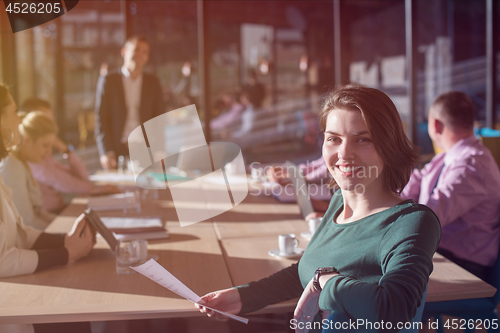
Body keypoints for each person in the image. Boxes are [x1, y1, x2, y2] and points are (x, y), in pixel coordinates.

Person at [196, 85, 441, 331]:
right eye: (333, 138)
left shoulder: (411, 223)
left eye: (362, 139)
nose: (344, 153)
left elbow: (394, 312)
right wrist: (243, 297)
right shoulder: (337, 203)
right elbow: (307, 268)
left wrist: (323, 281)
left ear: (389, 145)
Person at [0, 84, 95, 333]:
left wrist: (66, 241)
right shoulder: (10, 167)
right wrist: (66, 253)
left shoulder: (9, 166)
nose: (19, 118)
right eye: (13, 111)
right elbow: (2, 259)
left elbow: (21, 231)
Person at [401, 91, 500, 280]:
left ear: (435, 125)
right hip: (443, 255)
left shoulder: (471, 165)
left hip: (464, 267)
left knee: (382, 282)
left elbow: (429, 219)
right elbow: (416, 183)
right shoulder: (448, 157)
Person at [21, 98, 118, 213]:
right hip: (51, 214)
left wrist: (66, 150)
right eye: (45, 121)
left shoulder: (45, 156)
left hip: (58, 209)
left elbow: (80, 178)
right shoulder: (32, 160)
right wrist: (94, 189)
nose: (50, 126)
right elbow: (59, 180)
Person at [95, 35, 164, 170]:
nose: (141, 54)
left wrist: (160, 151)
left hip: (146, 150)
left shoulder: (153, 83)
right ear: (124, 52)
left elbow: (159, 119)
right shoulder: (109, 81)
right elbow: (101, 118)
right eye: (137, 49)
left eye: (145, 52)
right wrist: (105, 151)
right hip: (116, 150)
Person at [0, 112, 60, 230]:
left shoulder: (21, 162)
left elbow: (38, 212)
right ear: (27, 141)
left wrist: (66, 225)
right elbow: (27, 222)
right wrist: (62, 235)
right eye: (45, 145)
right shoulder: (13, 166)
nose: (49, 152)